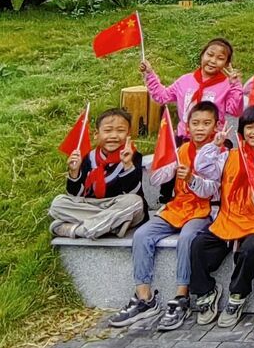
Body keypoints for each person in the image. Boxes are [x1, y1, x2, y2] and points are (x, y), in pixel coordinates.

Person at [107, 102, 220, 331]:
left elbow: (212, 189)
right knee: (142, 235)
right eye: (195, 123)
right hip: (177, 207)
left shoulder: (221, 152)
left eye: (206, 123)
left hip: (204, 209)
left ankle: (181, 296)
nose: (200, 128)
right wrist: (158, 166)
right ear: (186, 126)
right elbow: (157, 179)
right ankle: (144, 297)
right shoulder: (181, 150)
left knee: (188, 237)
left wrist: (191, 180)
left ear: (216, 126)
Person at [189, 105, 254, 328]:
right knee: (198, 244)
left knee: (249, 250)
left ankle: (237, 296)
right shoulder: (229, 156)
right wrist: (214, 146)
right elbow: (202, 168)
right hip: (227, 218)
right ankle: (207, 292)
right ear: (242, 130)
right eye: (250, 127)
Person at [49, 108, 145, 240]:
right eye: (107, 130)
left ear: (128, 135)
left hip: (119, 205)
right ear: (96, 134)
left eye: (120, 131)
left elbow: (134, 192)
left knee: (135, 202)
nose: (113, 136)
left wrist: (127, 165)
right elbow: (75, 195)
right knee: (58, 203)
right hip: (93, 205)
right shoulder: (87, 157)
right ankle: (111, 226)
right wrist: (74, 172)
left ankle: (79, 230)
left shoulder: (134, 156)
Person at [142, 38, 243, 139]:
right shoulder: (185, 81)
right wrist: (149, 73)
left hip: (213, 142)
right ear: (202, 55)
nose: (213, 61)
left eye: (220, 58)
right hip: (184, 139)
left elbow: (235, 110)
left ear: (226, 64)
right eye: (210, 55)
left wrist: (236, 85)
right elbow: (162, 96)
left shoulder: (227, 85)